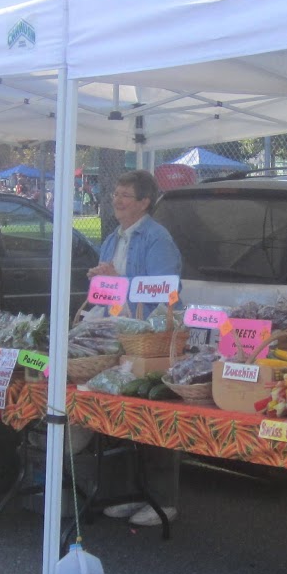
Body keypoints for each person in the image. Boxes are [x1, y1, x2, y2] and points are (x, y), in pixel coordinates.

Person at [87, 170, 184, 527]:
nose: (117, 199)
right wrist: (102, 282)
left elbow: (165, 295)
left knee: (153, 413)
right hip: (119, 335)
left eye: (126, 195)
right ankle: (128, 492)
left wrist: (117, 283)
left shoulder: (159, 240)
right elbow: (110, 296)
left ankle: (163, 500)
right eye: (116, 192)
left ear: (145, 202)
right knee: (119, 415)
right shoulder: (113, 238)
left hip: (150, 340)